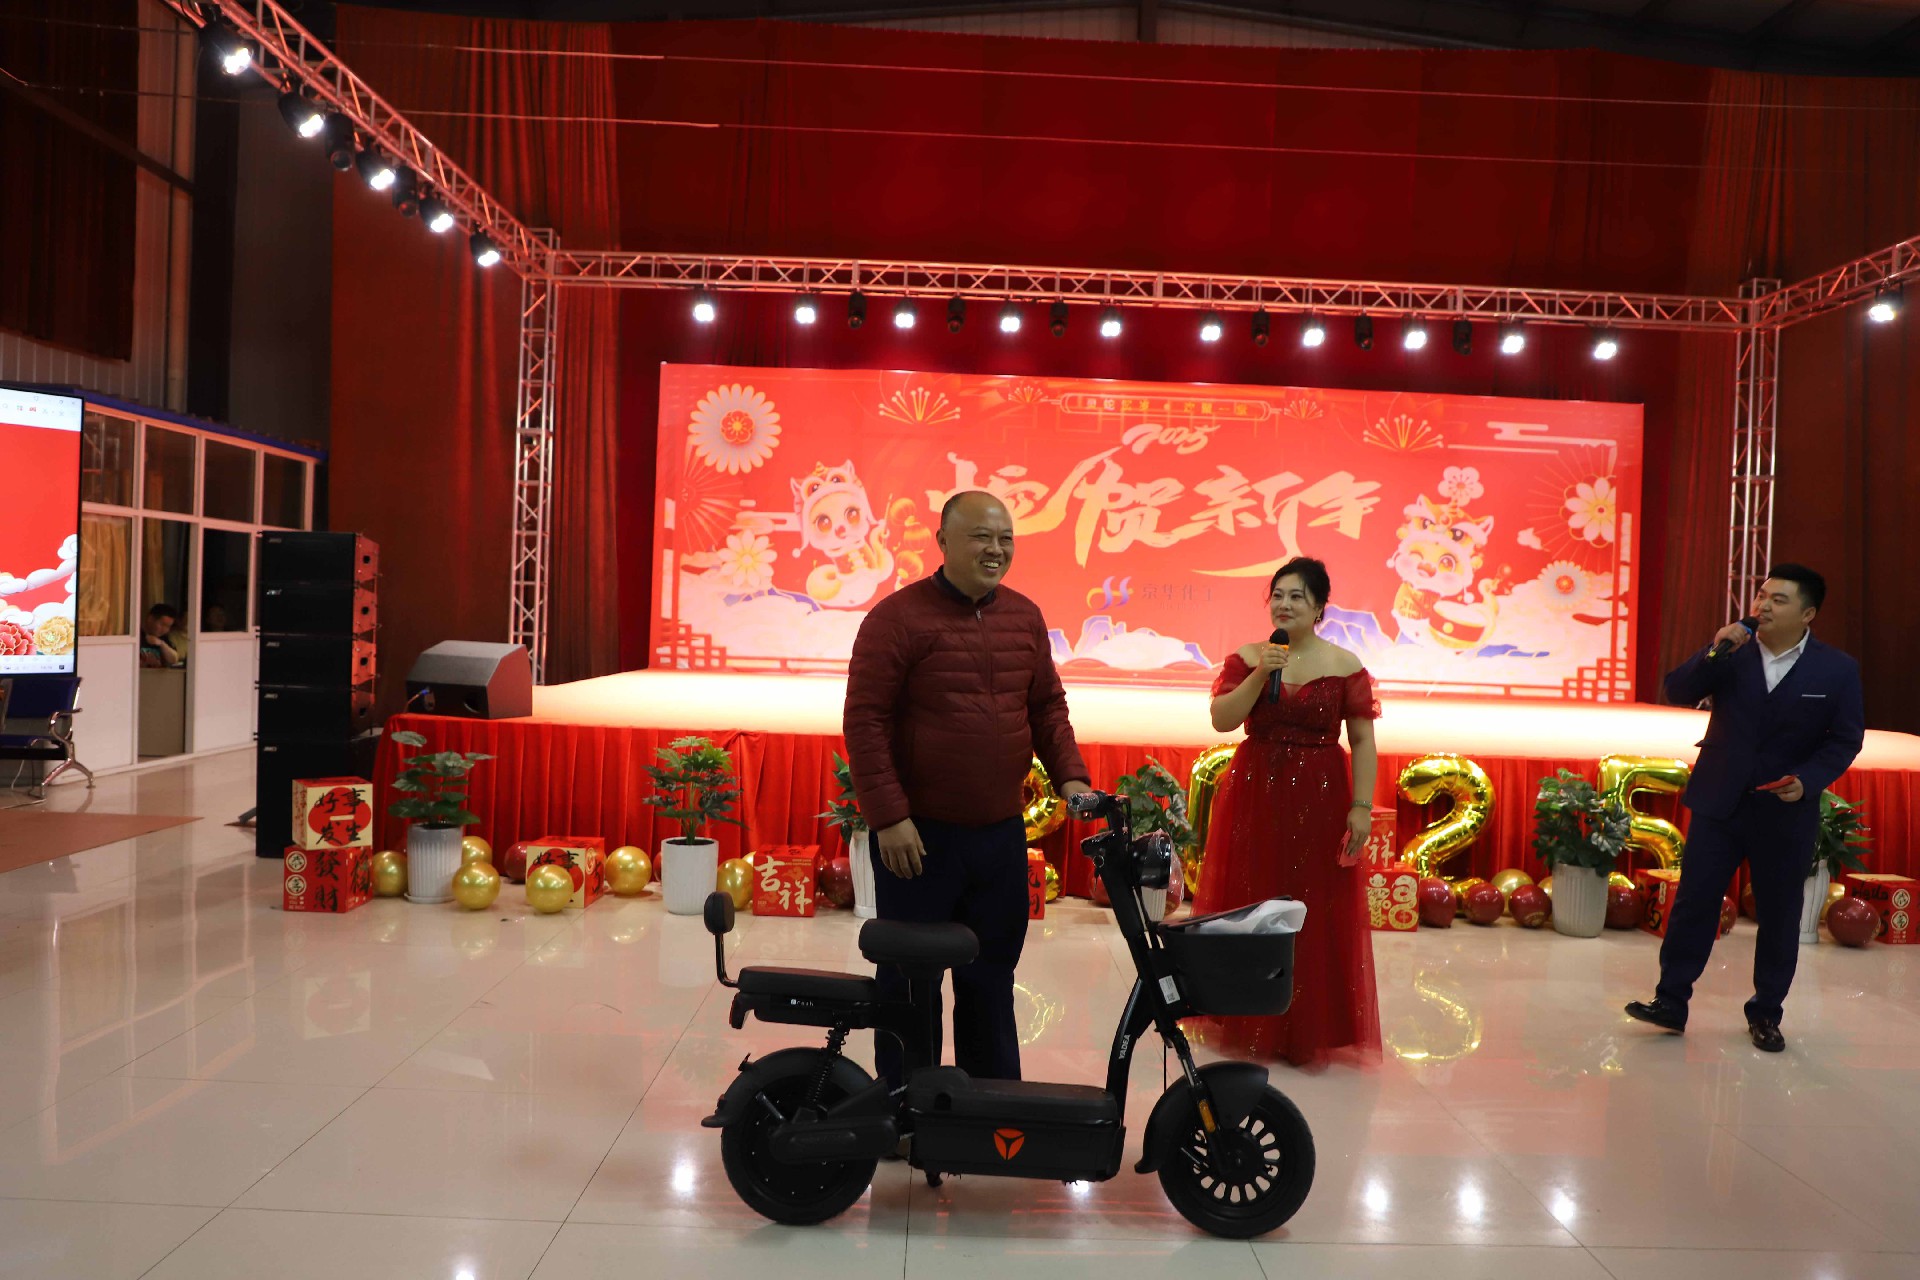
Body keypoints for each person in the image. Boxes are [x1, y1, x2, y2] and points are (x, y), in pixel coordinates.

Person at [843, 490, 1091, 1086]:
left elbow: (1047, 707)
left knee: (991, 978)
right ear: (943, 542)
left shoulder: (1024, 617)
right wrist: (888, 817)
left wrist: (1072, 778)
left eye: (1005, 538)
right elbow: (866, 720)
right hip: (918, 839)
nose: (995, 549)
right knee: (910, 982)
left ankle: (989, 1110)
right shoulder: (896, 619)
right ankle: (905, 1107)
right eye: (981, 536)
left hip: (999, 836)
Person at [1626, 564, 1864, 1053]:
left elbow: (1845, 740)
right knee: (1695, 903)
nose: (1763, 606)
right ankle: (1670, 1000)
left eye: (1778, 599)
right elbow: (1677, 690)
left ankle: (1766, 1013)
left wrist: (1808, 781)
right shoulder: (1732, 652)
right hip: (1720, 800)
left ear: (1808, 614)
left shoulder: (1837, 669)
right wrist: (1714, 650)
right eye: (1761, 595)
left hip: (1784, 808)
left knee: (1779, 915)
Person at [1189, 556, 1382, 1068]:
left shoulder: (1345, 666)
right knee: (1251, 898)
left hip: (1321, 796)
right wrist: (1260, 675)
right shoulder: (1251, 657)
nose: (1284, 604)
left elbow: (1363, 741)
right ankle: (1247, 1016)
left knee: (1313, 904)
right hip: (1256, 792)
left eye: (1297, 596)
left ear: (1319, 608)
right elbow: (1222, 720)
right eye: (1277, 595)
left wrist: (1361, 807)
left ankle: (1307, 1027)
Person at [139, 604, 185, 669]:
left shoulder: (163, 638)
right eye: (162, 624)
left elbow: (174, 659)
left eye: (168, 626)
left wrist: (161, 644)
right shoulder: (138, 637)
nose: (165, 629)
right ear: (150, 619)